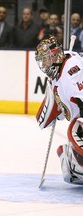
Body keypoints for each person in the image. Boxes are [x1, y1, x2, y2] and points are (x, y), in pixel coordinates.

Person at [35, 35, 83, 185]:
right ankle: (67, 154)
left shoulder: (69, 73)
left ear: (55, 55)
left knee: (75, 130)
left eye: (46, 59)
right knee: (69, 174)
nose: (43, 64)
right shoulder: (60, 73)